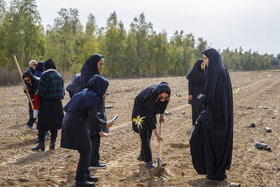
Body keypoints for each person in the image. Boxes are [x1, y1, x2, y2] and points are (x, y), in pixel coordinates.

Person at [61, 75, 113, 187]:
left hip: (72, 121)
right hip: (76, 122)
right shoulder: (93, 96)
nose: (106, 91)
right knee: (86, 150)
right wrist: (105, 123)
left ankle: (85, 175)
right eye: (105, 88)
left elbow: (91, 118)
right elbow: (94, 118)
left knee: (86, 148)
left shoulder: (87, 93)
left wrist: (100, 131)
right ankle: (80, 181)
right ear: (100, 87)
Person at [190, 48, 233, 181]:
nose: (204, 61)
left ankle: (214, 172)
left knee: (209, 142)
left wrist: (202, 99)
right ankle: (211, 170)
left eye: (206, 58)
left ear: (212, 59)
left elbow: (211, 96)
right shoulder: (219, 71)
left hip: (216, 117)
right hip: (217, 115)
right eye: (203, 58)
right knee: (205, 140)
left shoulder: (217, 72)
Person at [132, 82, 171, 168]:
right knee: (145, 134)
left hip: (150, 108)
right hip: (141, 109)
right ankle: (149, 161)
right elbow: (150, 117)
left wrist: (162, 115)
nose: (163, 99)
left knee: (149, 132)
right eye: (161, 97)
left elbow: (163, 105)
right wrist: (157, 135)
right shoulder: (150, 97)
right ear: (158, 94)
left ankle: (143, 156)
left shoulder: (165, 95)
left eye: (165, 97)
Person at [32, 59, 65, 151]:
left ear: (45, 67)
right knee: (54, 124)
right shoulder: (59, 76)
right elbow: (63, 93)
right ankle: (53, 143)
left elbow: (41, 91)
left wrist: (36, 95)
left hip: (46, 103)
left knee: (42, 124)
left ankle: (41, 144)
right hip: (58, 104)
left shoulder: (45, 75)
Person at [186, 59, 206, 125]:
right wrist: (190, 94)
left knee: (201, 110)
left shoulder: (203, 72)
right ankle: (194, 124)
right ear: (198, 64)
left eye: (204, 65)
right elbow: (190, 84)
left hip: (201, 94)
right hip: (194, 95)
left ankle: (200, 124)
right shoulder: (193, 73)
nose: (203, 66)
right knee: (195, 111)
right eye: (202, 64)